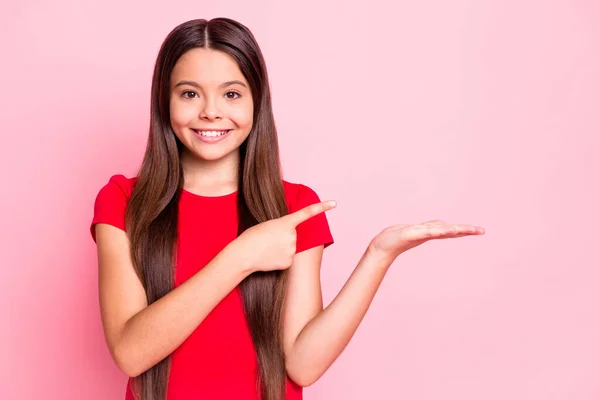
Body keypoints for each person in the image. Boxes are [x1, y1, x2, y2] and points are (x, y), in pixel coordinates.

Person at [90, 17, 485, 400]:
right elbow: (130, 352)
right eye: (190, 93)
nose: (211, 111)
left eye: (231, 93)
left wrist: (380, 255)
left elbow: (302, 365)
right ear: (165, 101)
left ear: (256, 101)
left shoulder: (294, 206)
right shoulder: (123, 201)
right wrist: (241, 256)